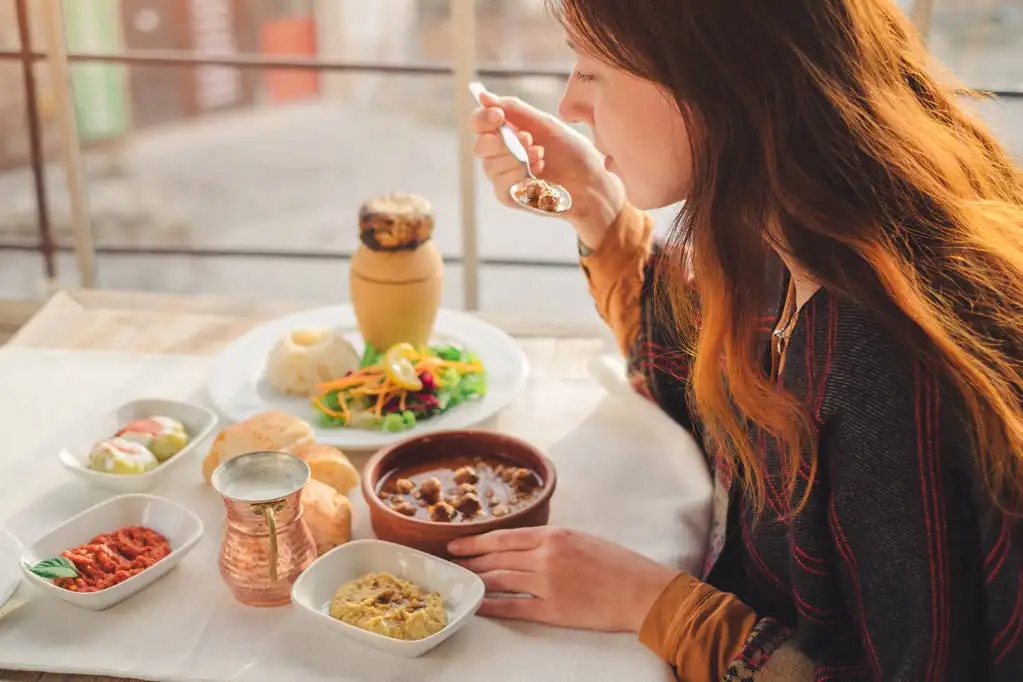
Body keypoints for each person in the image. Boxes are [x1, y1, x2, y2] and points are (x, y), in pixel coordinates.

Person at [446, 1, 1023, 680]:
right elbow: (701, 375)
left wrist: (660, 607)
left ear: (716, 79)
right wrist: (596, 204)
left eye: (594, 68)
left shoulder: (884, 362)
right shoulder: (786, 228)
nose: (570, 103)